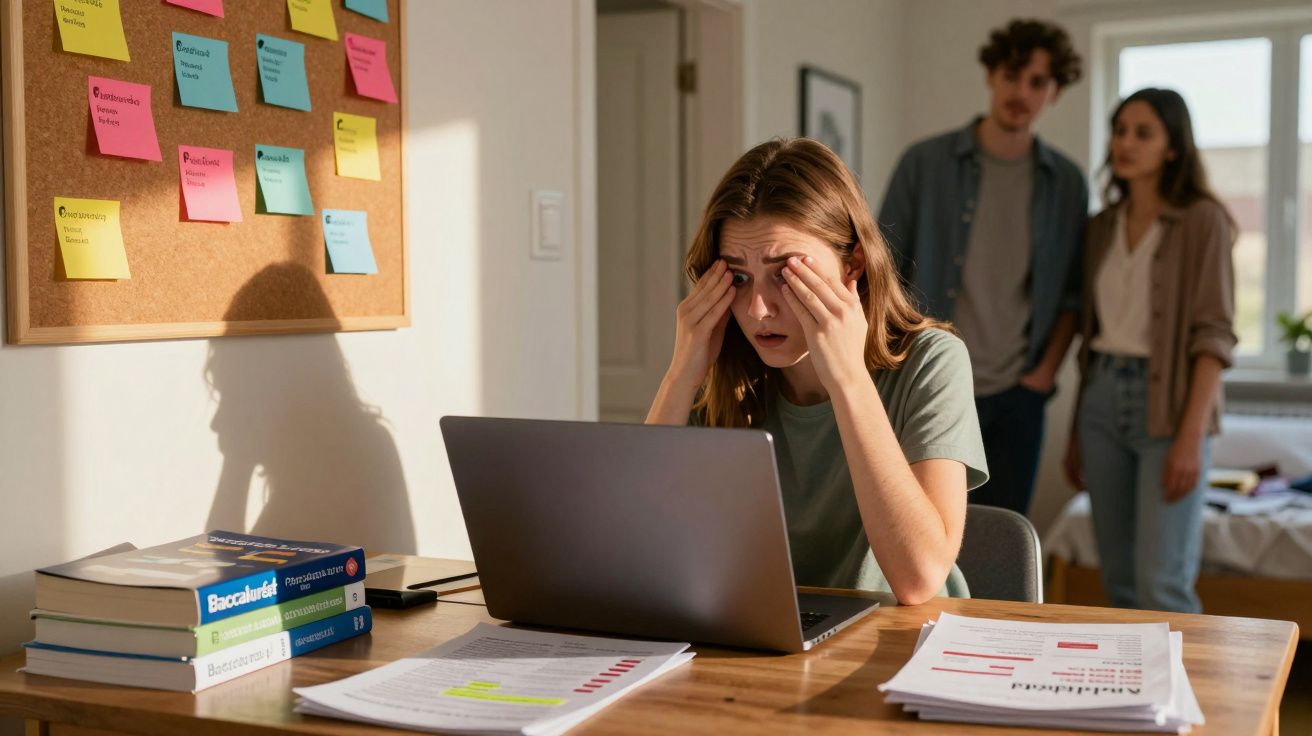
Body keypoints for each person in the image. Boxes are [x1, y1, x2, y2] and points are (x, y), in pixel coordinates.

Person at [645, 138, 988, 606]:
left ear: (853, 265)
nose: (759, 310)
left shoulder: (932, 361)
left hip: (904, 640)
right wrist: (679, 378)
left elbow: (918, 578)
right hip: (767, 636)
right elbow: (638, 555)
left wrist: (846, 377)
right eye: (739, 278)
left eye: (786, 274)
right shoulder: (724, 372)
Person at [878, 18, 1087, 517]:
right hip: (929, 381)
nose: (1022, 92)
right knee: (923, 532)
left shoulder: (1067, 184)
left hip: (1019, 396)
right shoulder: (924, 164)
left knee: (1004, 541)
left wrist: (1043, 375)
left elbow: (1074, 297)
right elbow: (880, 269)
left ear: (1054, 92)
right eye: (1013, 75)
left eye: (1037, 82)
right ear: (992, 75)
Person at [1064, 88, 1237, 613]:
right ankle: (1128, 696)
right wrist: (1076, 431)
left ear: (1172, 148)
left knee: (1162, 585)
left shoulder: (1203, 220)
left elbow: (1215, 335)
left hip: (1170, 410)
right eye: (1120, 130)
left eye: (1143, 133)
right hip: (1100, 402)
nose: (1125, 143)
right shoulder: (1100, 227)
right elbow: (1090, 341)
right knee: (1116, 582)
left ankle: (1182, 698)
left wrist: (1190, 439)